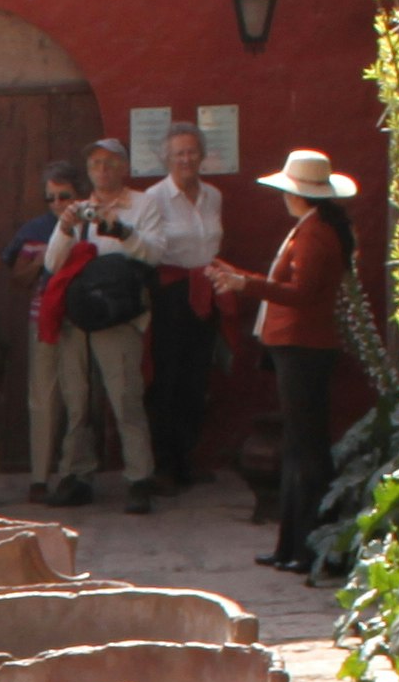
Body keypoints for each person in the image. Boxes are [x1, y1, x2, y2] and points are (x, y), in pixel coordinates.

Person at [209, 148, 363, 577]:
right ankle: (293, 547)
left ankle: (309, 547)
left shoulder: (315, 235)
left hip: (304, 346)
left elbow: (301, 294)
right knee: (299, 448)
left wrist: (245, 284)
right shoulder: (312, 227)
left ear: (299, 194)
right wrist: (242, 278)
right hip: (296, 345)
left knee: (306, 450)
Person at [125, 124, 231, 493]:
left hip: (205, 292)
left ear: (202, 155)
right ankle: (164, 463)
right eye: (178, 154)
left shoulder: (213, 196)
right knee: (165, 377)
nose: (186, 159)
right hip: (169, 294)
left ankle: (187, 457)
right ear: (165, 159)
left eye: (191, 152)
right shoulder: (152, 199)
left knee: (197, 377)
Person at [64, 142, 162, 511]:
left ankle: (139, 478)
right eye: (95, 163)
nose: (102, 170)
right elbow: (55, 262)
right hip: (81, 316)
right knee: (78, 401)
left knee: (125, 398)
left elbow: (155, 254)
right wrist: (65, 226)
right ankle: (78, 475)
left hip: (120, 315)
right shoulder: (79, 209)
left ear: (124, 168)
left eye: (109, 163)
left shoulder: (143, 205)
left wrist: (121, 231)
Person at [21, 163, 95, 504]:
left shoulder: (94, 225)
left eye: (63, 196)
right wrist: (38, 263)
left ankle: (71, 472)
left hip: (79, 319)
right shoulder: (35, 228)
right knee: (42, 399)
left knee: (77, 397)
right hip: (43, 319)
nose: (55, 203)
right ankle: (39, 475)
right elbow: (16, 275)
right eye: (49, 197)